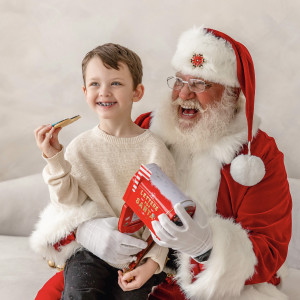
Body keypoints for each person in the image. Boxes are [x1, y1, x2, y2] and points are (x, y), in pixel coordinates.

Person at [34, 27, 292, 300]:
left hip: (195, 284)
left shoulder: (257, 155)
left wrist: (205, 247)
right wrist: (86, 230)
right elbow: (84, 188)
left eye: (201, 83)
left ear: (232, 93)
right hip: (125, 264)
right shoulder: (147, 128)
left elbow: (269, 249)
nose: (184, 94)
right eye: (180, 81)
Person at [31, 43, 176, 299]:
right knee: (79, 292)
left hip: (138, 254)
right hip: (91, 252)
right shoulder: (80, 147)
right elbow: (67, 202)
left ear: (137, 92)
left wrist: (152, 264)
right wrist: (55, 159)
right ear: (85, 91)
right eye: (95, 84)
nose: (104, 92)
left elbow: (166, 220)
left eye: (116, 83)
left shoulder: (155, 150)